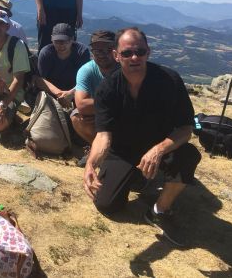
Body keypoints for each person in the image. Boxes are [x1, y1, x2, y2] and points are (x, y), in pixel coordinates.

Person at [83, 28, 202, 246]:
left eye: (140, 51)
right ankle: (138, 178)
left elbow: (186, 128)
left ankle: (159, 210)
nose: (134, 57)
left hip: (161, 147)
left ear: (149, 52)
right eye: (127, 53)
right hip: (123, 151)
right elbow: (103, 135)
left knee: (189, 155)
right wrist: (91, 164)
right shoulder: (107, 88)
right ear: (116, 55)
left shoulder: (169, 80)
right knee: (107, 204)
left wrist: (158, 150)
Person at [70, 30, 119, 166]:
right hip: (101, 116)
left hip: (122, 118)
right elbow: (82, 105)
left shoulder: (126, 69)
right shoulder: (87, 70)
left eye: (108, 50)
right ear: (92, 52)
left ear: (116, 50)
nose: (102, 54)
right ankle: (103, 151)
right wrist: (117, 105)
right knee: (77, 117)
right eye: (98, 51)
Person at [38, 23, 90, 107]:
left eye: (65, 41)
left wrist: (71, 93)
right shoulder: (46, 53)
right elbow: (40, 79)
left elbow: (87, 78)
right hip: (52, 95)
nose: (61, 45)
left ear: (72, 39)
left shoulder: (82, 52)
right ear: (51, 39)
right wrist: (61, 95)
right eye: (57, 42)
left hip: (78, 93)